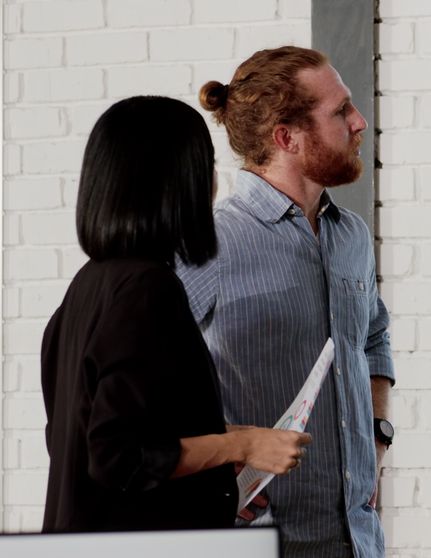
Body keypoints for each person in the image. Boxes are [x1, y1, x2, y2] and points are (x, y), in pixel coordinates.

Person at [40, 96, 311, 532]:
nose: (215, 184)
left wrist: (233, 444)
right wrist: (243, 444)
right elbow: (116, 458)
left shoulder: (88, 286)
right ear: (176, 185)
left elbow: (110, 434)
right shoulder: (148, 290)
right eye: (205, 167)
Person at [178, 47, 395, 558]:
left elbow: (372, 337)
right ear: (286, 137)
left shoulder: (352, 236)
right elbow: (147, 382)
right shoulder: (208, 242)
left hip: (357, 544)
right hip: (260, 547)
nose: (359, 121)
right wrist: (221, 462)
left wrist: (379, 436)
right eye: (340, 111)